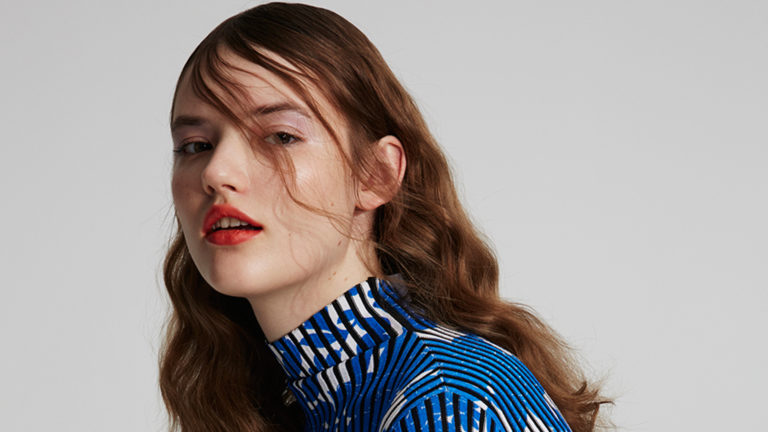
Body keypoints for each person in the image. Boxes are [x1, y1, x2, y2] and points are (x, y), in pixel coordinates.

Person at [160, 2, 609, 431]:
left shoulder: (444, 400)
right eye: (196, 146)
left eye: (280, 136)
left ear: (375, 175)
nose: (216, 172)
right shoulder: (304, 396)